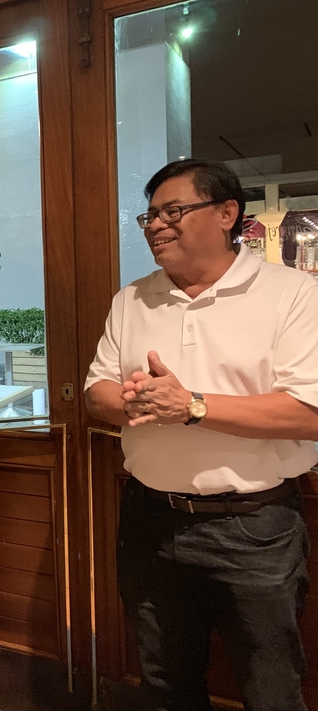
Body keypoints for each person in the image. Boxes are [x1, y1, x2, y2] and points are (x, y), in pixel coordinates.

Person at [84, 159, 318, 711]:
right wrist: (133, 399)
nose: (156, 226)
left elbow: (308, 412)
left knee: (270, 688)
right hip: (149, 521)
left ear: (227, 214)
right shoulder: (131, 299)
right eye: (150, 216)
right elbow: (96, 392)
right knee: (165, 683)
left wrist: (191, 405)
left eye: (174, 211)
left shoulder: (292, 293)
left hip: (255, 527)